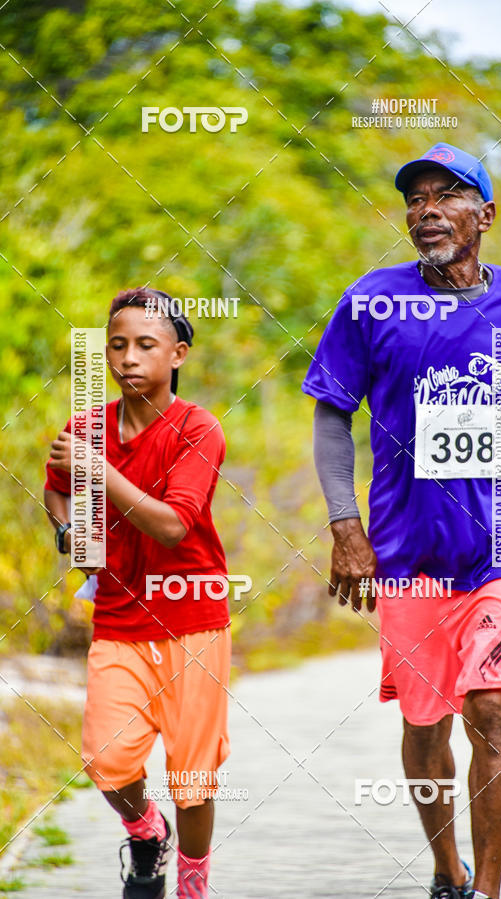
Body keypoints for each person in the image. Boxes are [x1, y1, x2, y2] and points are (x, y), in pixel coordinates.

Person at [302, 143, 501, 899]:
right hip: (408, 550)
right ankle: (447, 869)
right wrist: (345, 526)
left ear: (485, 215)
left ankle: (487, 890)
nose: (426, 210)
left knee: (491, 706)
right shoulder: (372, 301)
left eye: (447, 195)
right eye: (415, 198)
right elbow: (332, 414)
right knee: (425, 723)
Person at [44, 288, 231, 899]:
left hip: (193, 622)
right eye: (117, 345)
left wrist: (100, 473)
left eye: (146, 345)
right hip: (119, 620)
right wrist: (68, 529)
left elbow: (173, 525)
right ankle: (148, 832)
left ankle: (193, 886)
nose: (128, 357)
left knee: (193, 780)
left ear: (177, 354)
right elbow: (57, 487)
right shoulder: (85, 429)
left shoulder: (198, 428)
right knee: (107, 759)